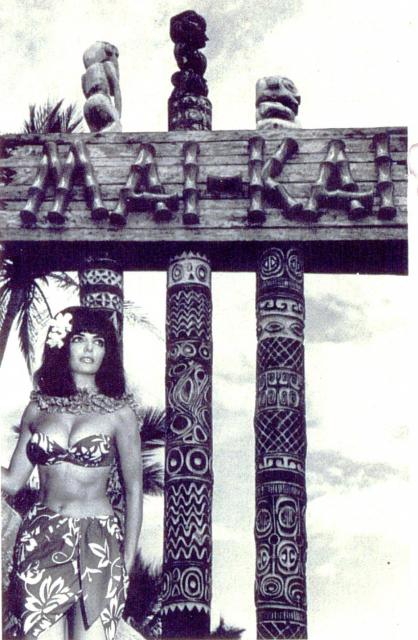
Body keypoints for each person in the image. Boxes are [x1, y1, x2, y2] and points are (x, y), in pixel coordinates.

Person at [1, 306, 143, 640]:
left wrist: (127, 559)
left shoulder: (120, 413)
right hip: (41, 539)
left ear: (108, 352)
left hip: (99, 541)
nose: (89, 349)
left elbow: (134, 489)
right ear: (63, 344)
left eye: (99, 342)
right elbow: (13, 481)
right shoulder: (39, 408)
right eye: (80, 339)